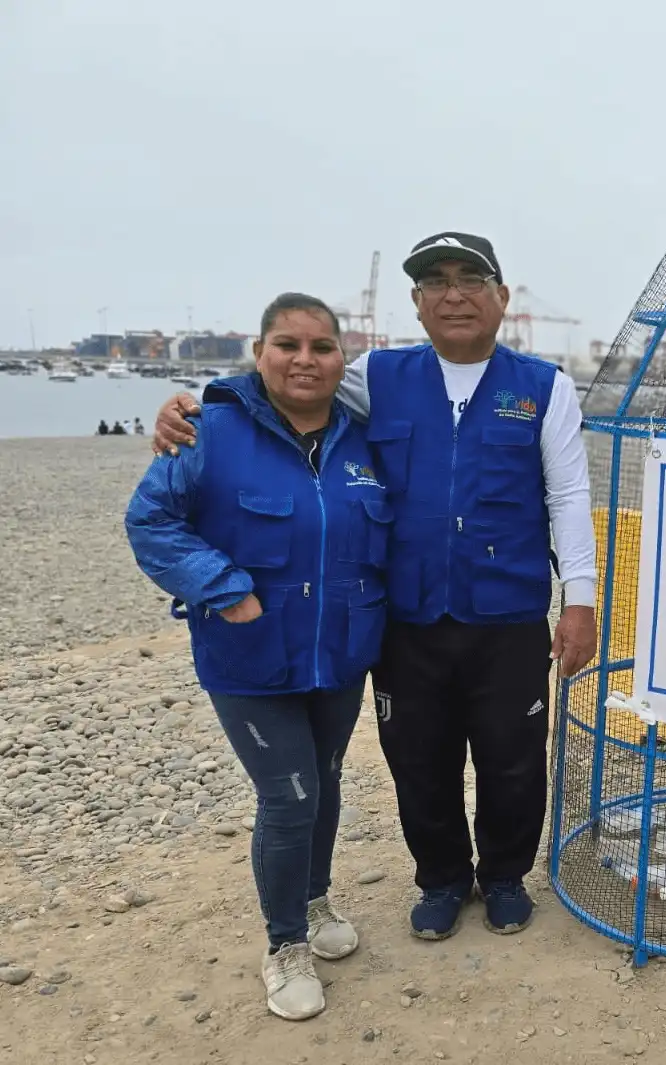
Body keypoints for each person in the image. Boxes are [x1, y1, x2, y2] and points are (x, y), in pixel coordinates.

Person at [151, 232, 599, 941]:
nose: (454, 293)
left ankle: (506, 874)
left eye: (470, 278)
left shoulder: (546, 388)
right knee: (419, 759)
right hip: (407, 616)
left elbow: (570, 495)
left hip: (507, 612)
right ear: (417, 304)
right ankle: (444, 878)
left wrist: (580, 599)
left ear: (501, 298)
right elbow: (289, 389)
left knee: (512, 759)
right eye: (435, 282)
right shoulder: (376, 376)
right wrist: (197, 405)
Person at [126, 293, 390, 1021]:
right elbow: (150, 520)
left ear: (344, 358)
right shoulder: (208, 428)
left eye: (321, 347)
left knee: (327, 780)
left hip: (340, 651)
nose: (304, 360)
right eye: (287, 344)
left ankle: (312, 895)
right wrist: (223, 586)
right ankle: (285, 944)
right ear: (259, 353)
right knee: (289, 795)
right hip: (249, 655)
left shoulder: (367, 436)